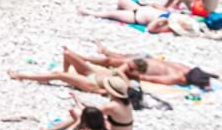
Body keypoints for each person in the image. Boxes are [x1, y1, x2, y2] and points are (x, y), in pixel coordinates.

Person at [81, 42, 216, 90]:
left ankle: (86, 58)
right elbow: (155, 80)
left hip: (147, 63)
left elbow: (154, 80)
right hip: (148, 64)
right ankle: (101, 53)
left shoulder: (184, 70)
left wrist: (135, 75)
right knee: (117, 59)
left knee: (113, 60)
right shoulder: (181, 74)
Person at [76, 0, 177, 34]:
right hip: (139, 8)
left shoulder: (165, 23)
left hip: (135, 17)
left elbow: (150, 29)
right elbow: (157, 6)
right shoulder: (169, 15)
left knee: (110, 14)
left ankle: (88, 13)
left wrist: (160, 20)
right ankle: (119, 12)